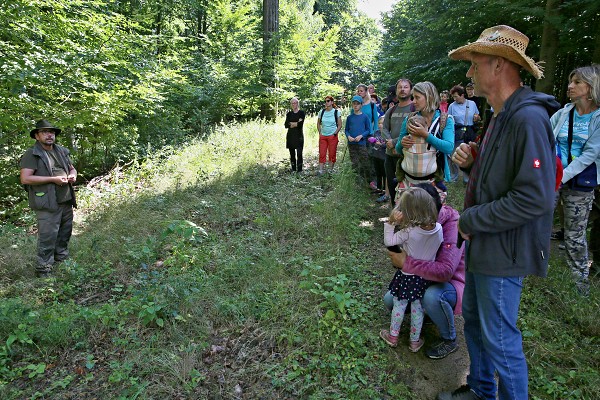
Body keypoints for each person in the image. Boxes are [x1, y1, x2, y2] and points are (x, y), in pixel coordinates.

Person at [442, 25, 560, 400]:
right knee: (475, 322)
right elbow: (502, 179)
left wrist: (471, 220)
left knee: (501, 339)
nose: (469, 73)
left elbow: (535, 197)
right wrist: (470, 163)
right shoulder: (500, 114)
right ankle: (480, 391)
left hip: (504, 250)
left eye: (474, 64)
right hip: (485, 245)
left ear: (498, 65)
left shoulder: (528, 118)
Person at [385, 182, 465, 359]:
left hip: (449, 283)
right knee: (391, 300)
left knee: (432, 298)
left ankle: (449, 338)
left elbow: (446, 271)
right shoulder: (419, 223)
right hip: (423, 278)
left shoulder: (451, 224)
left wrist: (407, 263)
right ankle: (426, 314)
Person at [550, 64, 600, 295]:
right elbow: (546, 142)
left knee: (575, 234)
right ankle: (533, 270)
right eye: (570, 81)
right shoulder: (562, 113)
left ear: (590, 88)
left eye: (577, 82)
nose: (570, 86)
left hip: (580, 184)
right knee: (537, 221)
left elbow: (590, 154)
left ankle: (579, 285)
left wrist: (562, 176)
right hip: (552, 179)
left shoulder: (598, 118)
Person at [380, 187, 443, 352]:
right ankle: (414, 341)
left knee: (399, 305)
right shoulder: (439, 229)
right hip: (424, 277)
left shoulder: (409, 231)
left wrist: (391, 223)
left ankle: (393, 336)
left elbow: (389, 241)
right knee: (418, 309)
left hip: (407, 275)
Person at [20, 119, 77, 278]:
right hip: (46, 203)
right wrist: (52, 179)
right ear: (37, 136)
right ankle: (43, 271)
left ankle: (62, 262)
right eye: (44, 132)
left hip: (65, 201)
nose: (49, 135)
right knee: (47, 237)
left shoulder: (61, 151)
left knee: (64, 234)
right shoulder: (32, 154)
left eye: (51, 132)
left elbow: (73, 169)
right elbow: (25, 179)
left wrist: (72, 176)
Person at [396, 81, 455, 196]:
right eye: (413, 97)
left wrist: (426, 135)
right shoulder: (410, 119)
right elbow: (398, 150)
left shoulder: (445, 120)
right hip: (408, 180)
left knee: (430, 212)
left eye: (417, 97)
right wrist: (402, 143)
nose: (413, 101)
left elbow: (449, 147)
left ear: (429, 97)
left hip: (433, 180)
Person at [382, 78, 415, 205]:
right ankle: (394, 214)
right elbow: (384, 128)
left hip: (406, 155)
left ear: (411, 90)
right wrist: (389, 143)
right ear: (396, 91)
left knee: (407, 189)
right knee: (392, 186)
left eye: (406, 87)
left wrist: (396, 142)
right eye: (400, 87)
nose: (402, 89)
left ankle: (407, 217)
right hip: (390, 155)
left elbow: (413, 130)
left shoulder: (414, 109)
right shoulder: (391, 110)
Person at [448, 85, 480, 183]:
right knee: (455, 154)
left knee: (469, 154)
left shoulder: (472, 103)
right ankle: (454, 177)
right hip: (458, 132)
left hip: (470, 131)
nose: (454, 99)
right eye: (453, 97)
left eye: (456, 96)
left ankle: (467, 178)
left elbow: (477, 116)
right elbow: (449, 121)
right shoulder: (452, 106)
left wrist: (477, 118)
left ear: (462, 95)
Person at [345, 95, 372, 185]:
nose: (356, 105)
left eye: (358, 104)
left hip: (361, 143)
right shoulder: (349, 117)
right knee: (355, 163)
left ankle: (368, 180)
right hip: (351, 143)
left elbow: (368, 130)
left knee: (364, 161)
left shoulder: (365, 117)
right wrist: (348, 136)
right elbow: (346, 130)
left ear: (361, 105)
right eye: (354, 104)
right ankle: (357, 182)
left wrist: (361, 136)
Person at [316, 95, 342, 175]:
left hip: (332, 136)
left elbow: (340, 124)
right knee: (322, 153)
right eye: (325, 101)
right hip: (323, 135)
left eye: (328, 101)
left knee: (332, 153)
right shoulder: (322, 112)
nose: (326, 103)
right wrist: (320, 132)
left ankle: (330, 170)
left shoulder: (336, 112)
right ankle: (321, 170)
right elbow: (318, 123)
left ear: (332, 102)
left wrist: (335, 133)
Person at [284, 97, 306, 173]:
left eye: (295, 103)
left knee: (299, 154)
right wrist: (296, 123)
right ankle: (293, 169)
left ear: (298, 103)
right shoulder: (289, 114)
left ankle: (299, 171)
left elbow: (300, 125)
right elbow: (286, 125)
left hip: (299, 136)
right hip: (290, 136)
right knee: (292, 154)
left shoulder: (301, 113)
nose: (294, 104)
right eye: (292, 103)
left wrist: (292, 123)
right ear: (291, 104)